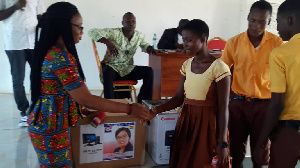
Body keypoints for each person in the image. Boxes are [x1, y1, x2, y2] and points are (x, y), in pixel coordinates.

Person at [27, 2, 150, 167]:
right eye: (79, 26)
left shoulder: (56, 53)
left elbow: (63, 94)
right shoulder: (59, 58)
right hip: (51, 129)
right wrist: (129, 108)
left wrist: (81, 112)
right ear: (63, 26)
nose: (82, 32)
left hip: (52, 123)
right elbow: (86, 98)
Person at [149, 19, 231, 168]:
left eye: (189, 40)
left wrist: (222, 142)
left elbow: (224, 107)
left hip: (208, 123)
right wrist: (154, 111)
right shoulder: (187, 64)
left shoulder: (220, 68)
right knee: (185, 160)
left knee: (204, 161)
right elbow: (178, 98)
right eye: (184, 40)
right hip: (187, 120)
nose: (184, 44)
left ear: (203, 39)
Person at [220, 0, 284, 167]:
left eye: (262, 21)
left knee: (260, 152)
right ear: (248, 18)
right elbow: (222, 72)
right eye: (253, 20)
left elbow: (284, 76)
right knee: (235, 150)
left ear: (269, 21)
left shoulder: (277, 44)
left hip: (264, 106)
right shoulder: (233, 43)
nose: (256, 25)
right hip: (238, 104)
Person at [254, 0, 300, 167]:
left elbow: (277, 104)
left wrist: (261, 141)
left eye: (277, 22)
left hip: (290, 131)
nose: (277, 27)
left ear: (289, 20)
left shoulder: (281, 54)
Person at [88, 12, 155, 103]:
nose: (131, 24)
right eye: (128, 21)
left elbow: (144, 44)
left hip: (127, 68)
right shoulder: (114, 33)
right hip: (111, 66)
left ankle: (143, 103)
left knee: (149, 71)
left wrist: (149, 48)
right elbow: (92, 32)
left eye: (133, 21)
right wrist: (108, 43)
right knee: (107, 72)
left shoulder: (139, 36)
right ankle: (110, 105)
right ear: (122, 23)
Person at [0, 0, 44, 127]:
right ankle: (25, 113)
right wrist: (15, 7)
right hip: (14, 43)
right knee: (18, 80)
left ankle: (38, 109)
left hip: (33, 42)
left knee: (38, 77)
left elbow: (40, 16)